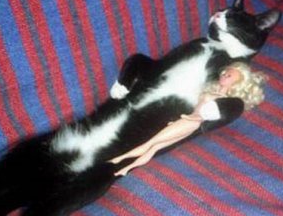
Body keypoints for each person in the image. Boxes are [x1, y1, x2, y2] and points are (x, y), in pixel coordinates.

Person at [109, 62, 268, 176]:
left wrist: (189, 118)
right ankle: (125, 169)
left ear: (237, 83)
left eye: (229, 76)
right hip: (187, 121)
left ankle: (119, 160)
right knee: (155, 147)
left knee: (152, 143)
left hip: (191, 122)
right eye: (225, 73)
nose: (224, 75)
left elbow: (205, 115)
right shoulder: (211, 91)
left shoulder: (222, 100)